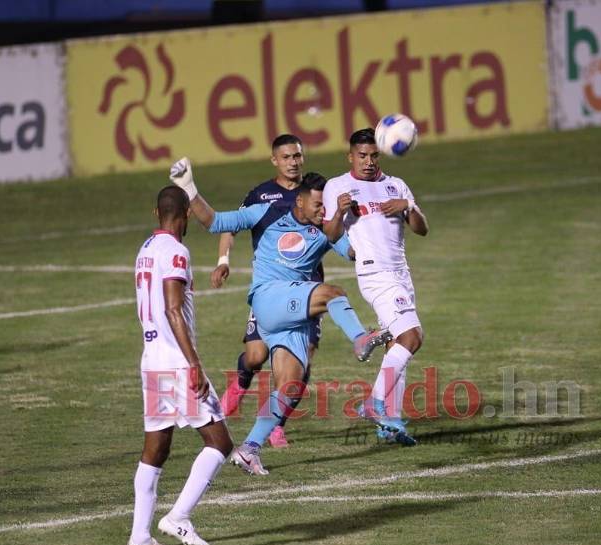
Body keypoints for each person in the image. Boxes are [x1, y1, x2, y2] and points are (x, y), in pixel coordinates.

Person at [170, 158, 390, 475]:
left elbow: (355, 252)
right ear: (299, 200)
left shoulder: (327, 227)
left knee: (290, 386)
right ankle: (360, 339)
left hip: (294, 317)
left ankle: (249, 449)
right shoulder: (267, 212)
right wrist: (188, 187)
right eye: (317, 204)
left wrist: (364, 221)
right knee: (333, 293)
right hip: (269, 297)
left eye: (325, 205)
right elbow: (215, 222)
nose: (321, 210)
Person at [126, 185, 233, 545]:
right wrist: (194, 365)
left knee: (156, 448)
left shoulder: (145, 250)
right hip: (175, 361)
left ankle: (139, 537)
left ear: (157, 214)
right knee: (220, 443)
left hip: (152, 359)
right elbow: (173, 309)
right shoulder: (176, 251)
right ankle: (179, 517)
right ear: (186, 214)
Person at [211, 134, 323, 448]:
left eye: (297, 156)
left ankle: (276, 423)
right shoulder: (261, 196)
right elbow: (230, 226)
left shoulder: (316, 194)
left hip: (307, 293)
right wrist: (223, 260)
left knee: (300, 365)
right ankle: (240, 385)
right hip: (270, 291)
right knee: (256, 355)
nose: (293, 162)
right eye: (286, 157)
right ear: (275, 160)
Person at [322, 128, 429, 446]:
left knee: (396, 344)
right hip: (374, 274)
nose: (368, 162)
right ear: (350, 156)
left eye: (373, 156)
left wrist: (408, 207)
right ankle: (374, 402)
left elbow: (422, 229)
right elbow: (329, 233)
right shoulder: (338, 186)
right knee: (411, 337)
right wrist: (340, 211)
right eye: (361, 156)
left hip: (401, 274)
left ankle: (390, 423)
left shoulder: (395, 186)